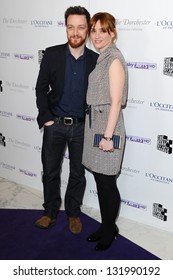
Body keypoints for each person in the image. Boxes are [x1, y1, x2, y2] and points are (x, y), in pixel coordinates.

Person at [35, 6, 98, 234]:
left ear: (88, 29)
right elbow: (41, 89)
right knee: (50, 171)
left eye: (80, 27)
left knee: (77, 174)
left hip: (82, 127)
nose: (75, 32)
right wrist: (46, 119)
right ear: (66, 28)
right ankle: (50, 212)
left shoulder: (96, 60)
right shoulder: (51, 54)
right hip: (55, 124)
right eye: (71, 27)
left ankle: (73, 214)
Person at [82, 12, 128, 250]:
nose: (97, 36)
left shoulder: (114, 60)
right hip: (96, 126)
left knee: (107, 184)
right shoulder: (103, 57)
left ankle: (110, 230)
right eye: (94, 31)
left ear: (113, 33)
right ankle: (106, 225)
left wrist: (108, 137)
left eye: (103, 30)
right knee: (101, 182)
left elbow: (116, 101)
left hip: (107, 129)